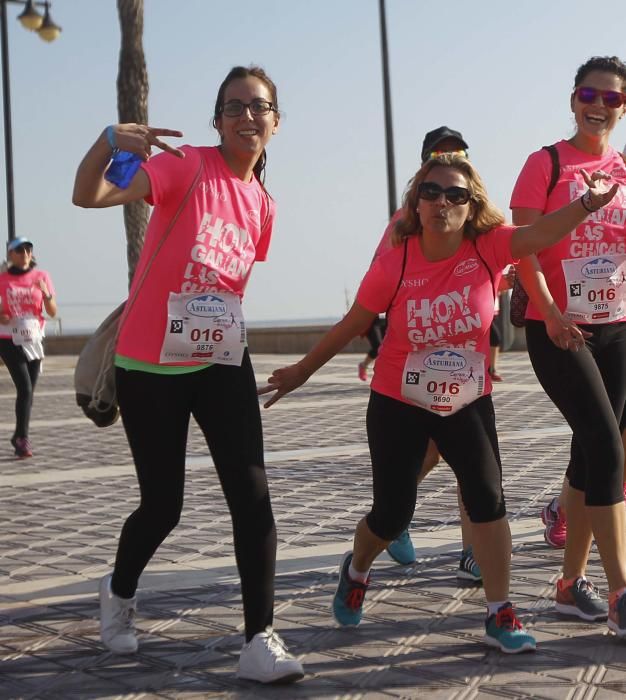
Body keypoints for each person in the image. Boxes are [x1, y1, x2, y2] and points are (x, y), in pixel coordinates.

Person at [259, 152, 617, 653]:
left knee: (489, 501)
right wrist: (300, 372)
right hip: (398, 401)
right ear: (416, 203)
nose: (442, 202)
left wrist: (586, 203)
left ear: (471, 207)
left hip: (467, 399)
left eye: (456, 195)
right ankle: (358, 567)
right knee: (391, 512)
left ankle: (499, 613)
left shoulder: (491, 247)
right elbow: (351, 325)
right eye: (431, 192)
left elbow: (537, 237)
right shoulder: (396, 262)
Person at [72, 65, 304, 684]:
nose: (246, 117)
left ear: (276, 122)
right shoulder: (186, 167)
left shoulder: (263, 203)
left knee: (253, 497)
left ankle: (259, 639)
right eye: (233, 107)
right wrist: (108, 141)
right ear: (217, 120)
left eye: (259, 107)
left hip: (221, 357)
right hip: (150, 363)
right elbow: (88, 195)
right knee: (163, 506)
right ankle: (119, 590)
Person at [510, 55, 626, 636]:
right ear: (573, 98)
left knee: (588, 451)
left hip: (618, 327)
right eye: (589, 93)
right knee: (607, 446)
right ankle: (621, 591)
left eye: (611, 98)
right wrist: (551, 312)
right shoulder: (546, 163)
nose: (599, 105)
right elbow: (522, 245)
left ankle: (568, 585)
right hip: (557, 328)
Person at [382, 127, 480, 581]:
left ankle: (472, 549)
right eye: (438, 159)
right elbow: (378, 291)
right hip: (415, 360)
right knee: (434, 450)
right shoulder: (403, 225)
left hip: (465, 356)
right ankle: (394, 513)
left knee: (468, 460)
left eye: (458, 156)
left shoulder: (476, 217)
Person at [0, 237, 57, 458]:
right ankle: (23, 439)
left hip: (34, 338)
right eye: (19, 250)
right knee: (24, 388)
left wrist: (46, 293)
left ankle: (18, 435)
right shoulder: (2, 279)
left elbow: (52, 311)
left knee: (29, 391)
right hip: (8, 339)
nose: (24, 253)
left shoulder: (42, 277)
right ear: (11, 254)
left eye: (28, 249)